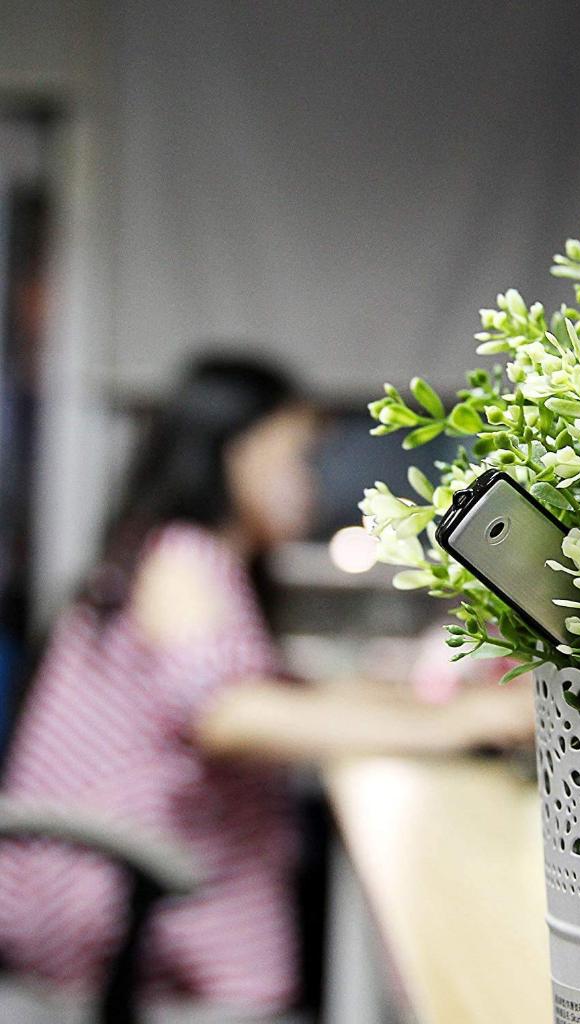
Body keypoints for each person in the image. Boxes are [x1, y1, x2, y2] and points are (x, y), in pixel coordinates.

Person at [0, 355, 534, 1020]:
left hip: (132, 871)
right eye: (297, 456)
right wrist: (462, 723)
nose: (309, 482)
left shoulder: (182, 554)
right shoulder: (182, 558)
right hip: (115, 892)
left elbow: (275, 694)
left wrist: (437, 704)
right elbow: (229, 715)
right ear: (238, 452)